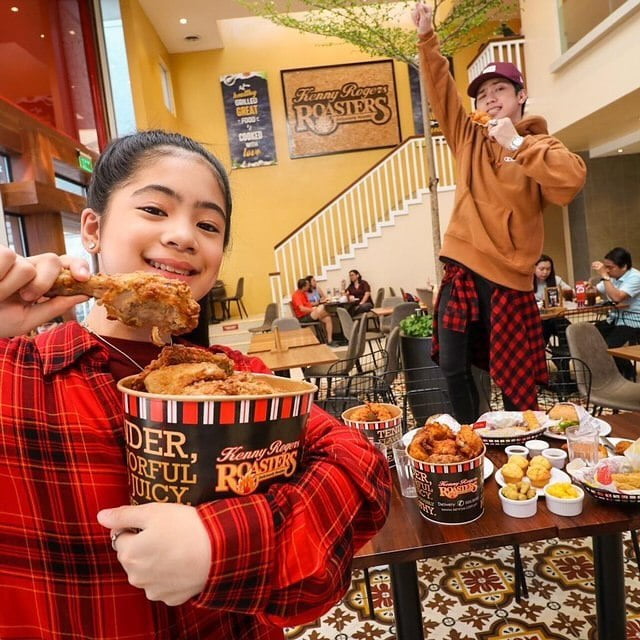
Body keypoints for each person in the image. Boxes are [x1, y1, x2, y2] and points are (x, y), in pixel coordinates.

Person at [0, 130, 390, 639]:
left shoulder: (238, 378)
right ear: (92, 229)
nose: (184, 236)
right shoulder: (18, 373)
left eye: (208, 225)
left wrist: (220, 545)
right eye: (155, 210)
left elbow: (362, 469)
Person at [411, 3, 587, 423]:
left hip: (509, 278)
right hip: (462, 268)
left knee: (515, 380)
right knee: (452, 366)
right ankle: (472, 437)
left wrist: (516, 145)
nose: (490, 98)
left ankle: (519, 445)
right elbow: (441, 90)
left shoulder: (541, 145)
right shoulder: (467, 138)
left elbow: (570, 182)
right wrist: (427, 37)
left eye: (500, 90)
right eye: (483, 93)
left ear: (521, 95)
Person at [591, 247, 640, 379]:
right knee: (591, 337)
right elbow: (597, 290)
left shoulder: (635, 277)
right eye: (605, 267)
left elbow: (617, 297)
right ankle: (614, 372)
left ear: (624, 267)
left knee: (610, 346)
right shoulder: (613, 276)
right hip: (614, 318)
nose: (607, 270)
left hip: (633, 320)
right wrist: (588, 288)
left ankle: (628, 373)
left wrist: (605, 276)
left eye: (610, 267)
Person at [291, 277, 335, 344]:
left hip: (310, 314)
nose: (309, 286)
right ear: (304, 287)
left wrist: (316, 304)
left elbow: (308, 304)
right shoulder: (296, 295)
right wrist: (313, 310)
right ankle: (332, 313)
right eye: (308, 285)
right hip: (303, 318)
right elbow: (302, 309)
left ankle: (330, 341)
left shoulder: (303, 293)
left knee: (327, 318)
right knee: (321, 307)